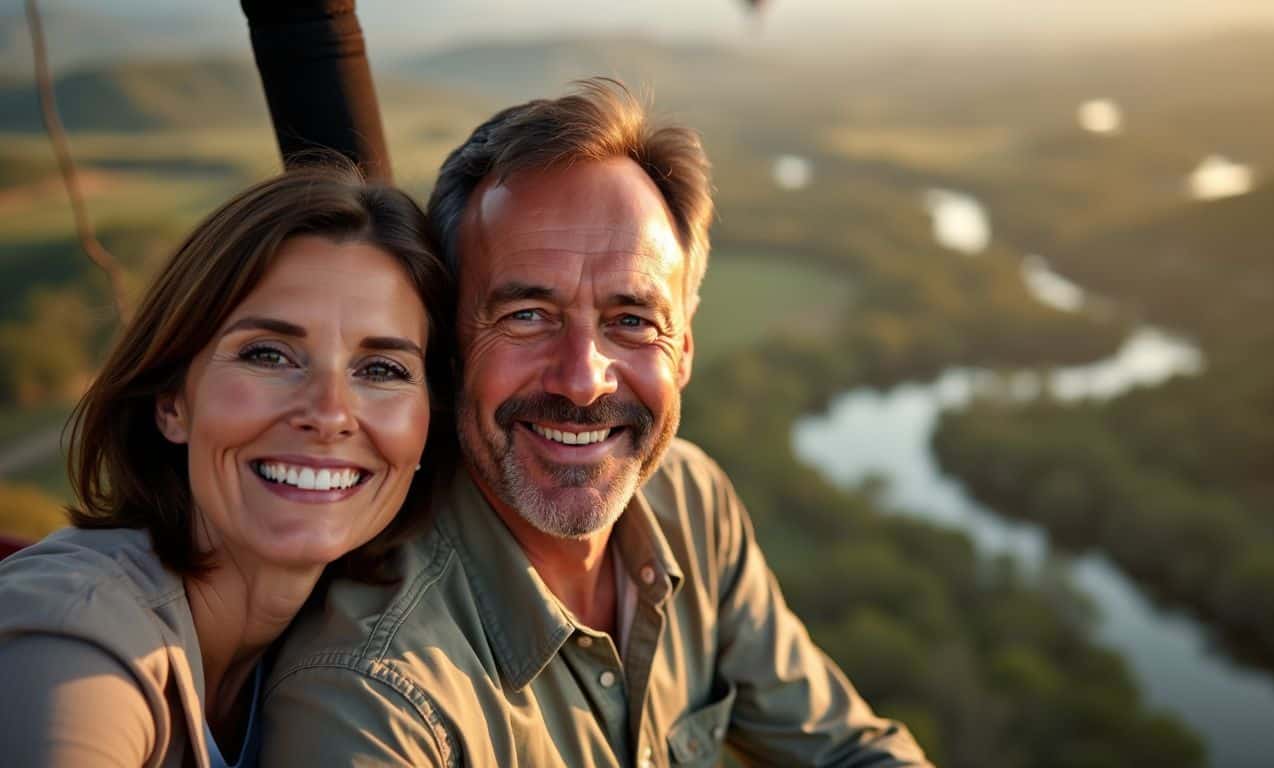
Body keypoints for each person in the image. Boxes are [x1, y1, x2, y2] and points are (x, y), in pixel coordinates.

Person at [260, 80, 932, 767]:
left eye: (632, 321)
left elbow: (849, 749)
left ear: (685, 352)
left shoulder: (691, 502)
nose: (582, 381)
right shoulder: (371, 701)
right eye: (527, 316)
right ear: (451, 349)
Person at [0, 163, 454, 768]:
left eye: (382, 370)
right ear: (173, 403)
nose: (328, 413)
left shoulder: (354, 653)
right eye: (268, 355)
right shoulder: (71, 634)